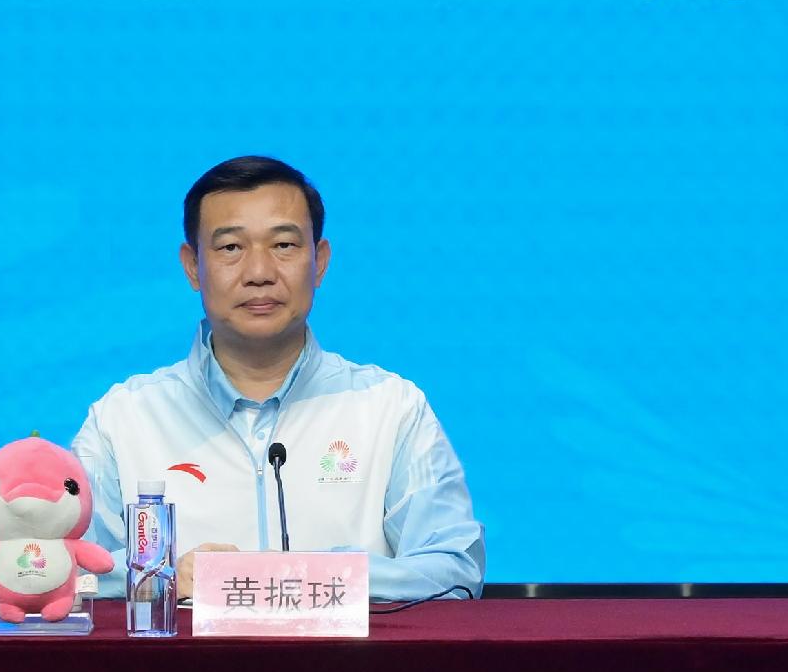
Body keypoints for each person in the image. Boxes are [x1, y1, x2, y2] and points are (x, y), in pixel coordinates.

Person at [71, 154, 483, 607]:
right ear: (192, 266)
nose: (259, 273)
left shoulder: (390, 407)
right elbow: (65, 578)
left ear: (319, 261)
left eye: (284, 246)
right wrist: (162, 578)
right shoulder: (122, 418)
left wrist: (310, 580)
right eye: (231, 248)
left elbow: (455, 569)